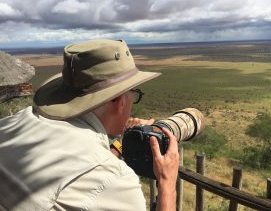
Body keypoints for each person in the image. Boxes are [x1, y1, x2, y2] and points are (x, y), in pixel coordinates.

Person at [0, 39, 179, 211]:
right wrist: (167, 183)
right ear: (121, 102)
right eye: (134, 94)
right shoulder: (114, 181)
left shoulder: (13, 124)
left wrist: (118, 144)